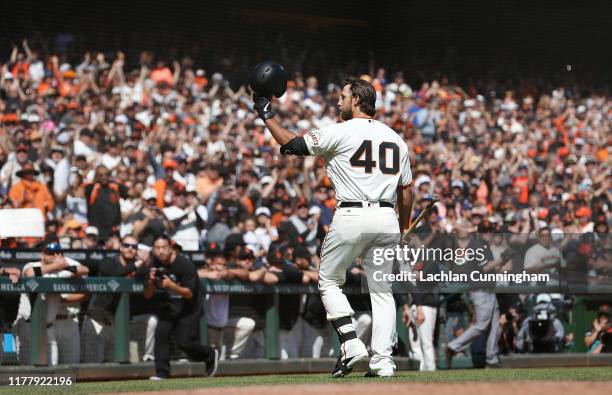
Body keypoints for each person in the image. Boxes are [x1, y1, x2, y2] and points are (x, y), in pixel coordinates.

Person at [252, 77, 413, 377]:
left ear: (356, 100)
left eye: (342, 96)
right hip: (387, 218)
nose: (338, 102)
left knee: (328, 280)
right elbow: (406, 191)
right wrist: (403, 227)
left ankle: (351, 344)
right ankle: (383, 362)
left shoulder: (341, 131)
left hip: (352, 214)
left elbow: (291, 143)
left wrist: (266, 112)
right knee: (382, 292)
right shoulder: (396, 138)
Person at [143, 235, 218, 380]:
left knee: (184, 342)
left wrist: (172, 286)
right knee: (161, 333)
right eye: (157, 248)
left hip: (189, 307)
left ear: (170, 248)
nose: (160, 251)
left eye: (163, 247)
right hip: (169, 306)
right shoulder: (153, 264)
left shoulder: (184, 264)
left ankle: (209, 354)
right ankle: (162, 373)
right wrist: (151, 281)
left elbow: (189, 294)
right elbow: (147, 294)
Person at [82, 235, 157, 362]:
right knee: (93, 365)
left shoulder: (140, 269)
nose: (130, 249)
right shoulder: (108, 262)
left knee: (115, 366)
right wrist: (138, 263)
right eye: (127, 246)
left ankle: (148, 357)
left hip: (118, 323)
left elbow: (148, 294)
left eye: (134, 247)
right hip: (97, 320)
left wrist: (150, 277)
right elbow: (115, 274)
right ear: (121, 247)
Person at [14, 242, 89, 365]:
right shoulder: (33, 265)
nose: (55, 255)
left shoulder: (61, 270)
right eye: (50, 253)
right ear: (42, 254)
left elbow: (85, 269)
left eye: (58, 253)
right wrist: (55, 265)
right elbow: (29, 273)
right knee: (27, 372)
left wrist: (66, 266)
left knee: (52, 369)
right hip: (29, 326)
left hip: (49, 328)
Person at [84, 165, 128, 240]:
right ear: (96, 176)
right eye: (100, 175)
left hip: (112, 231)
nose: (104, 177)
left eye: (107, 174)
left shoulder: (115, 187)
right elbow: (79, 192)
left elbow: (129, 193)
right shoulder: (91, 188)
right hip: (96, 231)